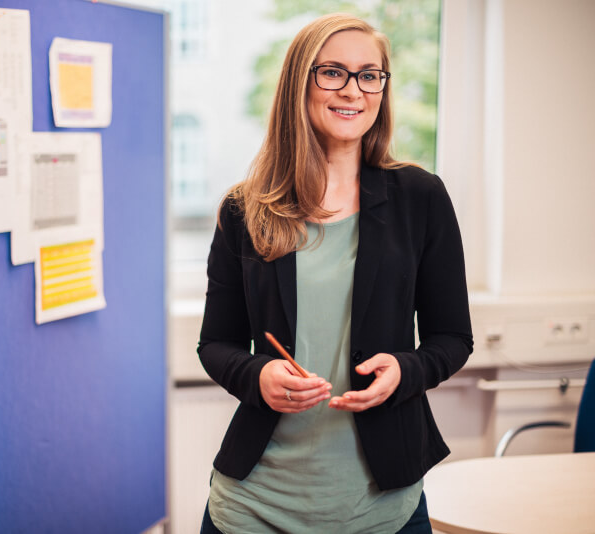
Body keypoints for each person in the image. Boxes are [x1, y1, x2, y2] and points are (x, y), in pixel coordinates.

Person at [197, 12, 473, 534]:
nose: (354, 90)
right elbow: (216, 344)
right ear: (300, 83)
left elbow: (453, 337)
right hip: (254, 507)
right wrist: (258, 375)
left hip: (381, 507)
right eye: (333, 72)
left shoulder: (421, 198)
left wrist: (405, 371)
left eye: (370, 75)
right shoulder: (245, 208)